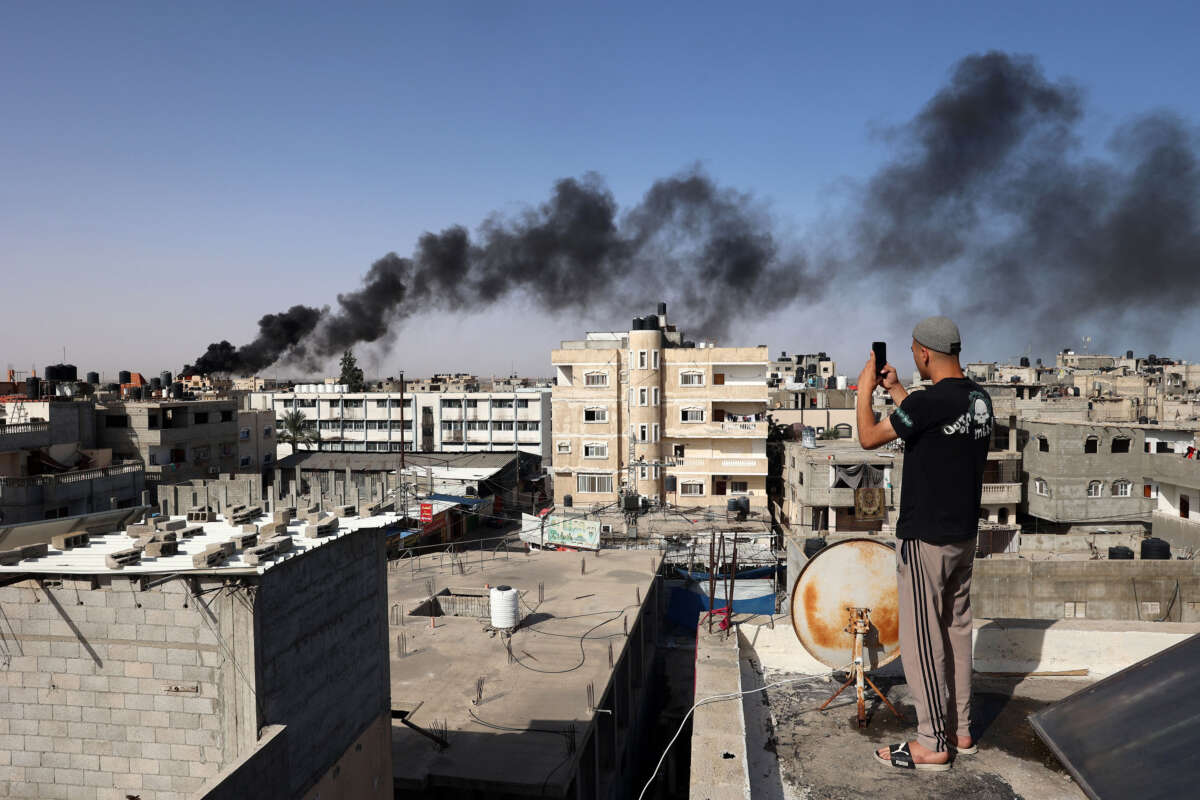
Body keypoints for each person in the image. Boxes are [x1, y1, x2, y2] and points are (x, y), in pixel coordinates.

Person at [854, 316, 994, 771]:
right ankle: (961, 729)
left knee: (922, 640)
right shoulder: (978, 399)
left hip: (925, 539)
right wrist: (896, 392)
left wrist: (863, 391)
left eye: (915, 353)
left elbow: (870, 437)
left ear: (926, 354)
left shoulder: (932, 402)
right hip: (962, 538)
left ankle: (932, 741)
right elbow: (933, 424)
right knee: (956, 631)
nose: (914, 359)